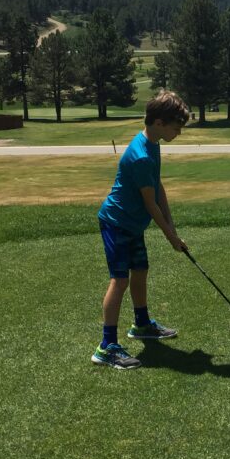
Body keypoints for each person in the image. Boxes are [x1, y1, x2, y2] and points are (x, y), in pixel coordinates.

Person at [92, 90, 190, 369]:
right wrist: (171, 237)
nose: (179, 133)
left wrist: (172, 227)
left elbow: (158, 188)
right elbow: (150, 204)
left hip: (131, 224)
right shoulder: (140, 156)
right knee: (119, 280)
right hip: (117, 222)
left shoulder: (152, 143)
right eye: (176, 127)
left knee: (141, 270)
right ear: (159, 123)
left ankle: (142, 323)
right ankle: (106, 346)